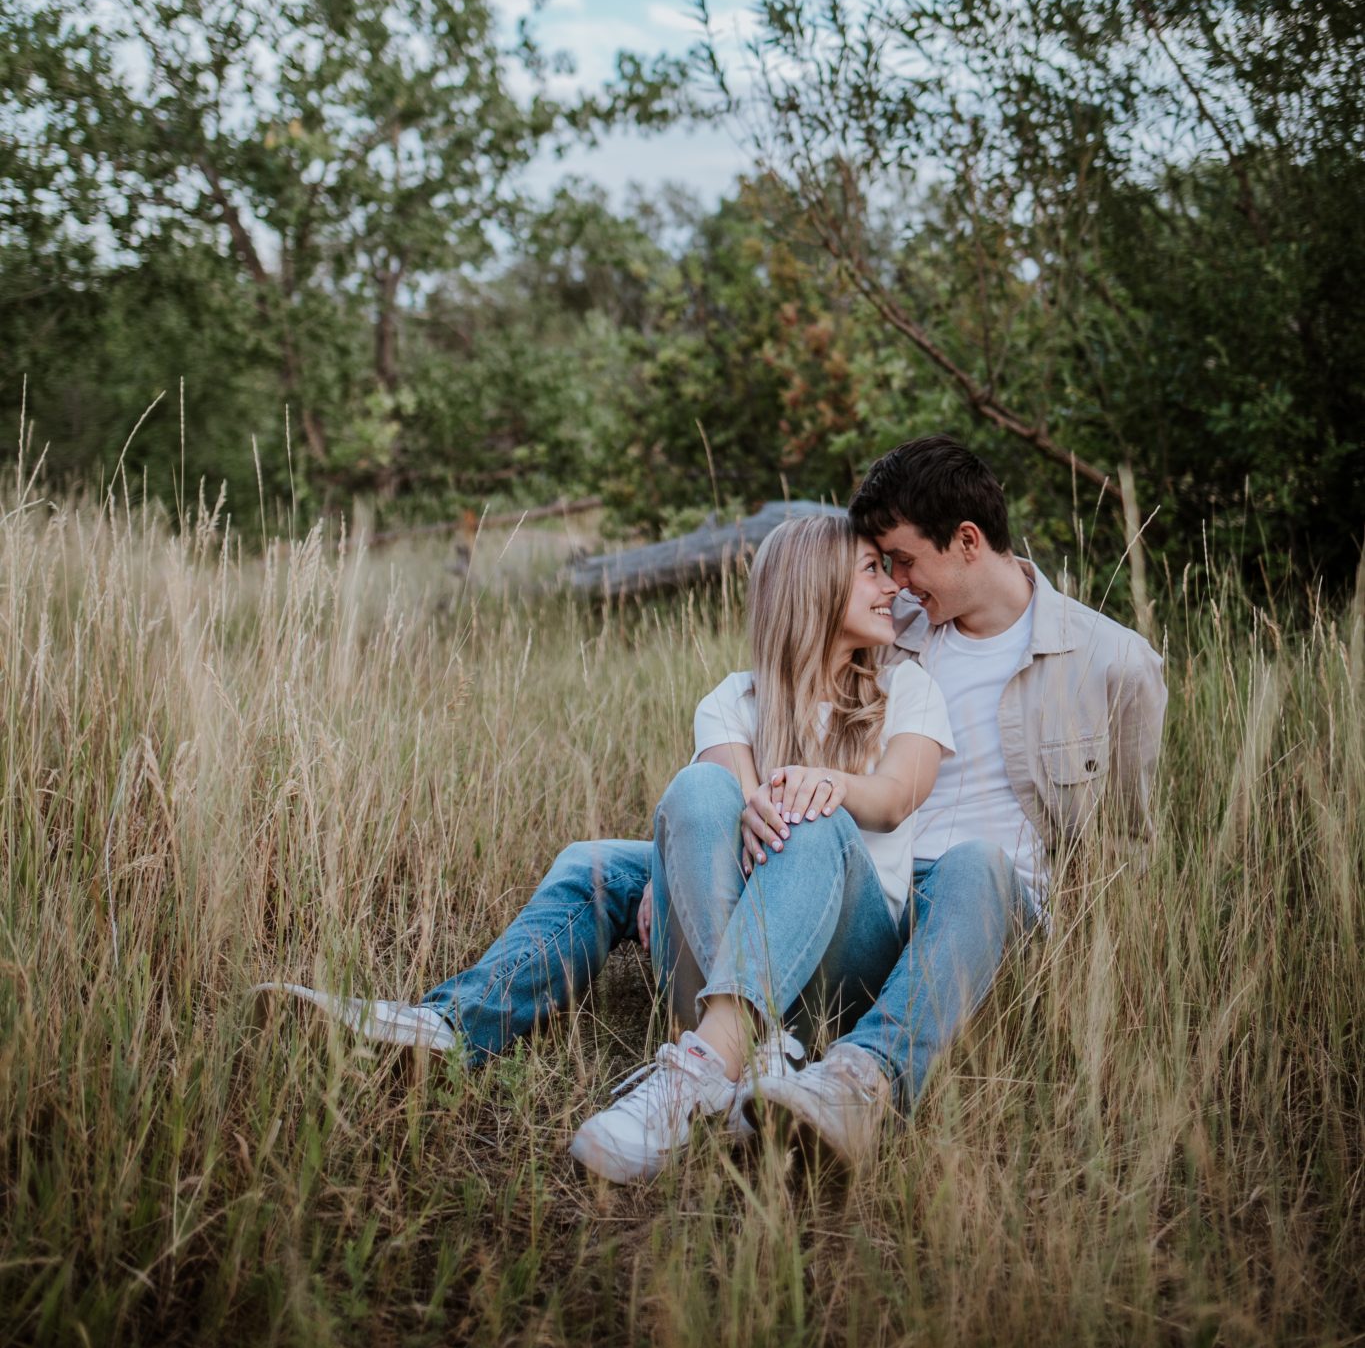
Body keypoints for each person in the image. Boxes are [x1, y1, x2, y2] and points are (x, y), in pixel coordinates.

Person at [262, 436, 1165, 1175]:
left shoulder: (1112, 664)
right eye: (877, 566)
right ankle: (454, 1026)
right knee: (599, 864)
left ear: (967, 541)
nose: (893, 581)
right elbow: (768, 725)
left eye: (903, 561)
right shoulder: (897, 627)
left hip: (958, 905)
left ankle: (848, 1080)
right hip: (833, 876)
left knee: (974, 862)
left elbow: (1123, 848)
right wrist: (683, 856)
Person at [566, 511, 954, 1182]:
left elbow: (892, 800)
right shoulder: (731, 702)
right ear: (815, 588)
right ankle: (752, 1046)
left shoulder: (907, 690)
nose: (893, 585)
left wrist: (824, 782)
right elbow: (731, 815)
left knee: (809, 810)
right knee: (696, 789)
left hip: (843, 966)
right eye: (871, 569)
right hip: (738, 946)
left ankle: (704, 1064)